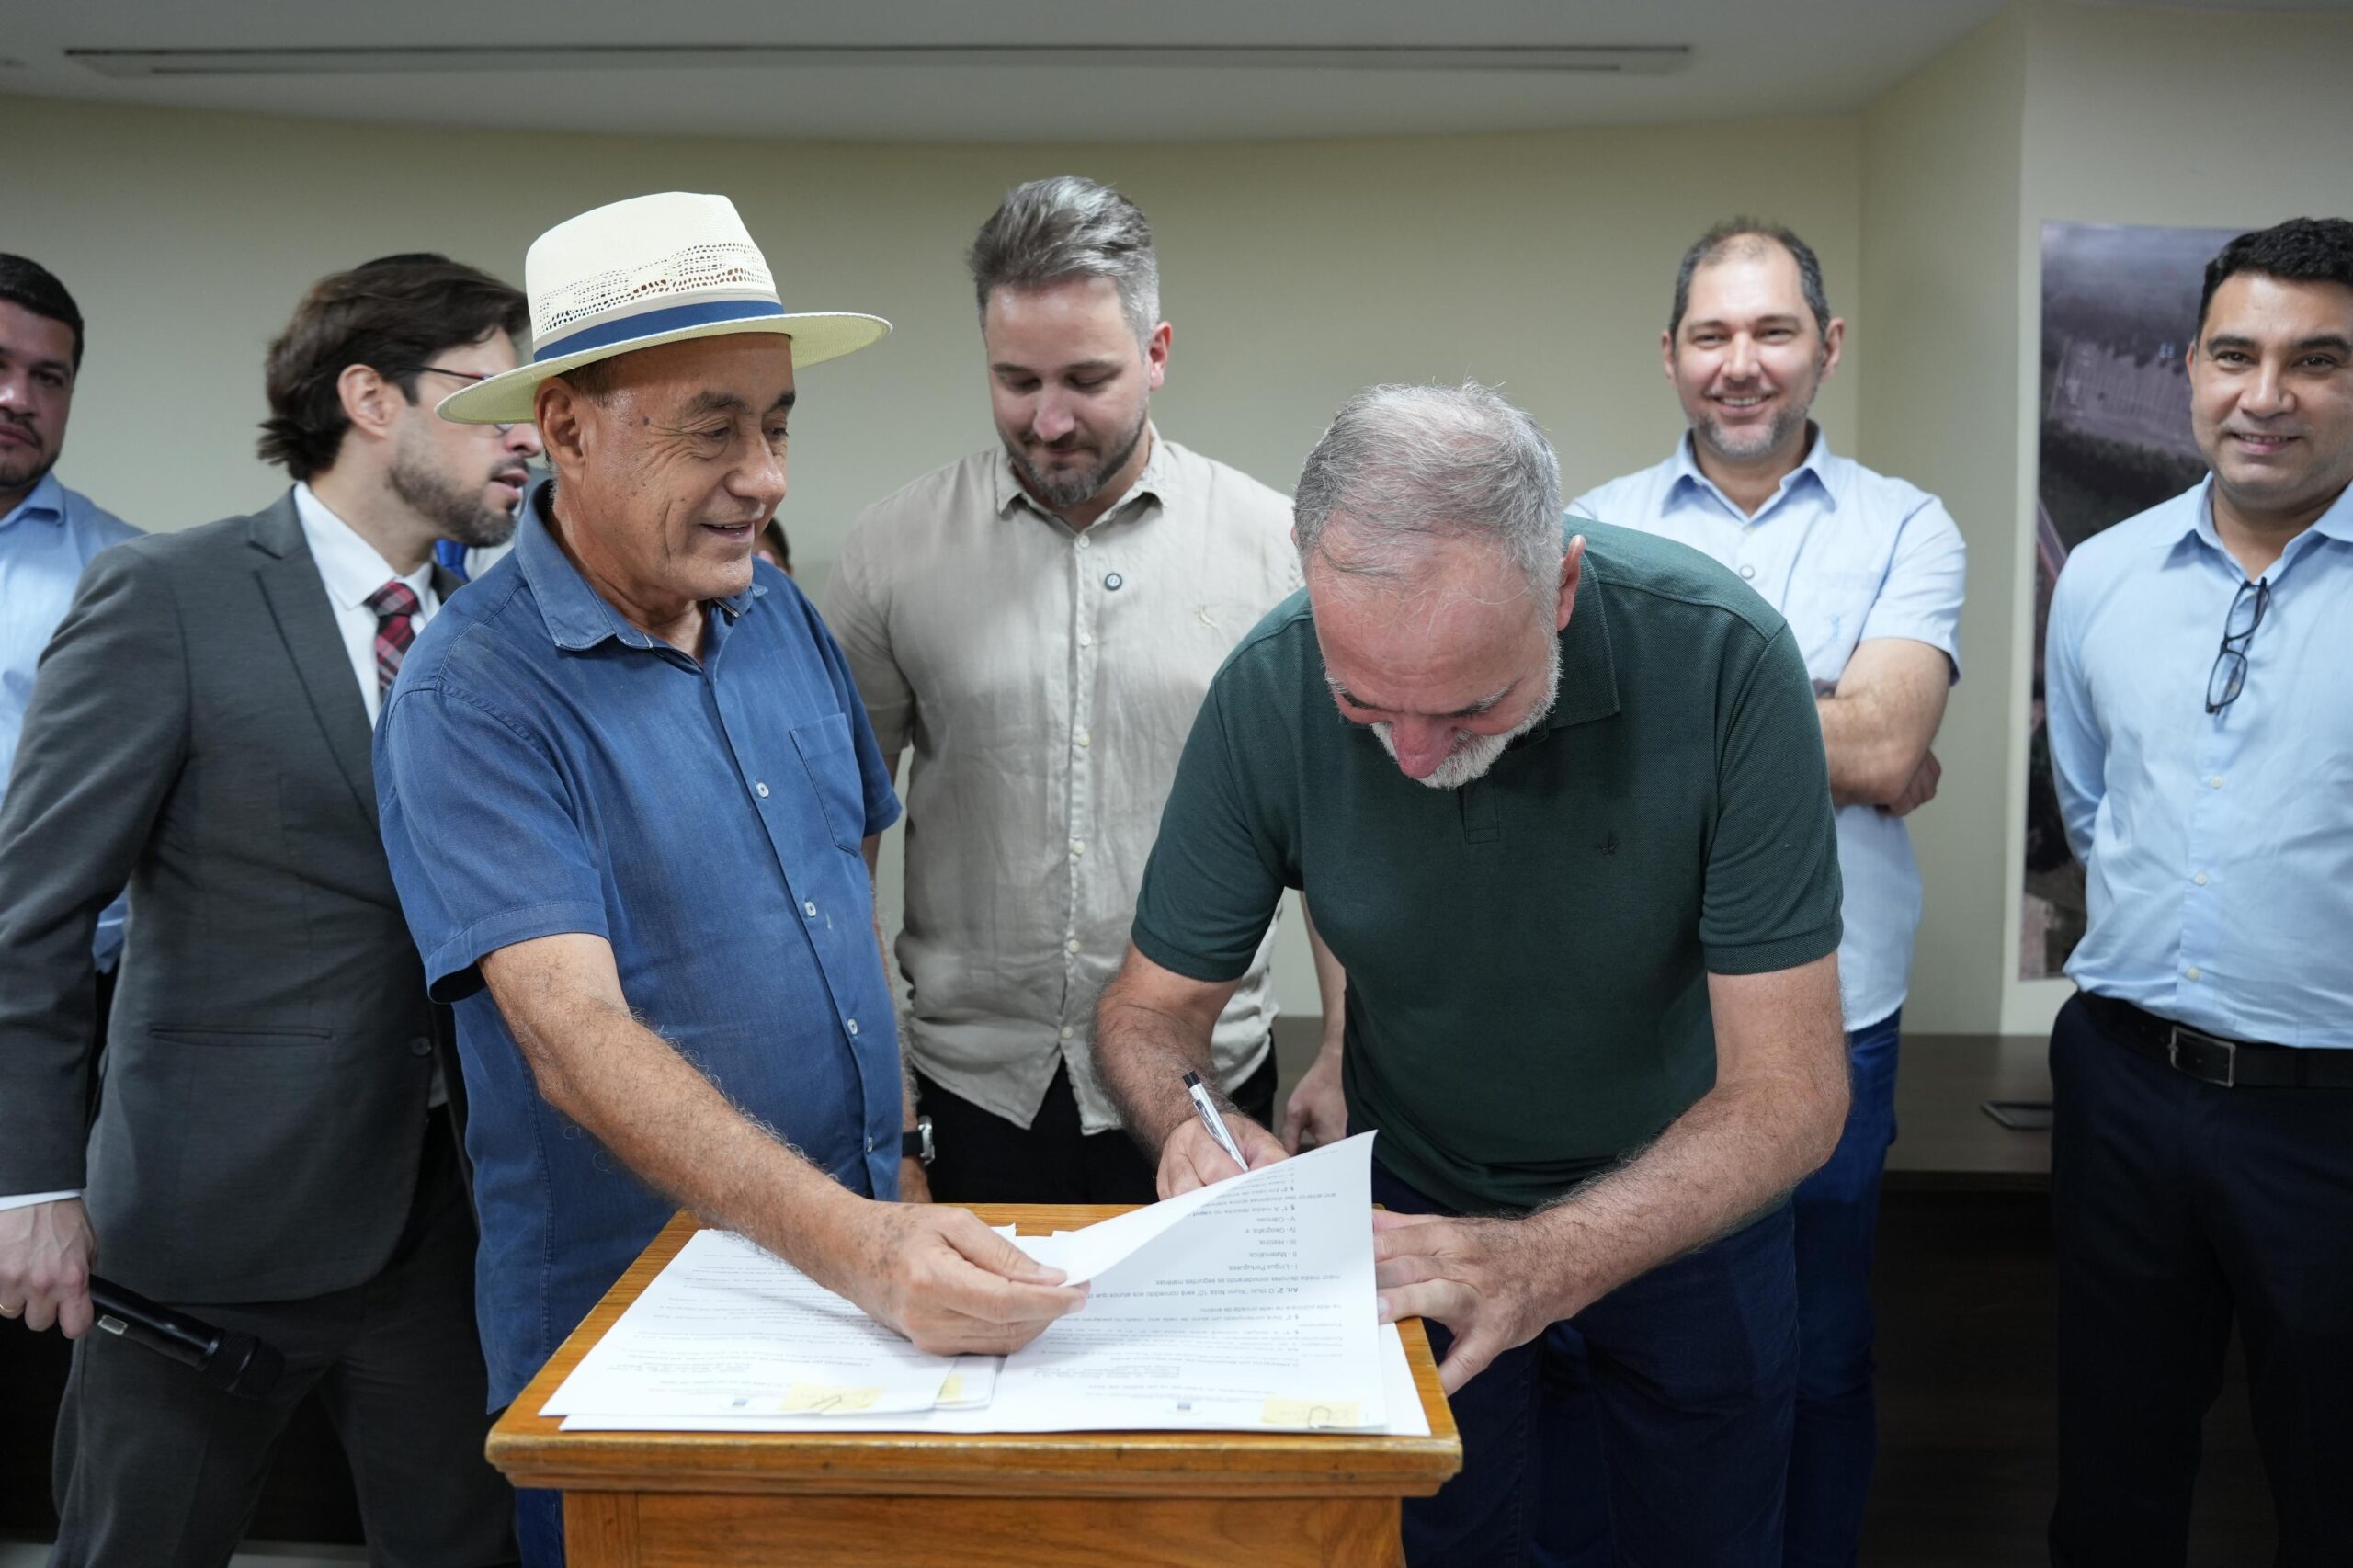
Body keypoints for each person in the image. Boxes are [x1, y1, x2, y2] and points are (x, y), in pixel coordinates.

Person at [371, 192, 1087, 1568]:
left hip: (857, 1297)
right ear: (567, 426)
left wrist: (901, 1167)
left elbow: (844, 902)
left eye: (778, 426)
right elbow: (571, 1040)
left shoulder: (778, 614)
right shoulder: (472, 693)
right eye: (714, 429)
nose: (765, 476)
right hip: (636, 1338)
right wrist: (859, 1244)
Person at [1095, 381, 1850, 1565]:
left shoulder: (1723, 661)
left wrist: (1544, 1257)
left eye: (1471, 704)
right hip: (1417, 1210)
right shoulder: (1269, 684)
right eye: (1363, 702)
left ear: (1561, 588)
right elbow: (1148, 1010)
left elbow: (1793, 1089)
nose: (1411, 754)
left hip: (1688, 1214)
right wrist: (1190, 1119)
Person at [0, 252, 539, 1566]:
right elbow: (30, 916)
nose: (527, 432)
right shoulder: (170, 595)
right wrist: (32, 1183)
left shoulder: (493, 632)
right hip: (207, 1228)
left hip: (446, 1224)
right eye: (491, 395)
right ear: (371, 397)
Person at [824, 175, 1343, 1205]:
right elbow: (839, 850)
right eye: (1016, 380)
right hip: (969, 1091)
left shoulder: (1277, 553)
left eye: (1086, 379)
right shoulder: (889, 554)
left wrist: (1339, 1047)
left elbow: (1338, 829)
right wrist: (889, 1105)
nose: (1049, 419)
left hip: (1204, 1086)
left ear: (1157, 354)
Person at [1574, 219, 1965, 1567]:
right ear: (1669, 354)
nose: (1740, 363)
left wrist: (1672, 725)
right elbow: (1558, 759)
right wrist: (1827, 726)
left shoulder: (1906, 524)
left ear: (1827, 345)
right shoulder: (1590, 527)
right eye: (1712, 334)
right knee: (1632, 1351)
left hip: (1837, 1015)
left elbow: (1887, 747)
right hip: (1637, 1029)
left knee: (1822, 1353)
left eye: (1772, 331)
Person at [2042, 216, 2353, 1567]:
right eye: (2235, 355)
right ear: (2189, 368)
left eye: (2316, 359)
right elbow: (2094, 808)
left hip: (2333, 1118)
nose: (2264, 394)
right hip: (2126, 1089)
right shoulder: (2102, 576)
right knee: (2112, 1473)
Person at [0, 256, 141, 1059]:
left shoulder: (129, 576)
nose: (18, 398)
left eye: (47, 378)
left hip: (47, 1007)